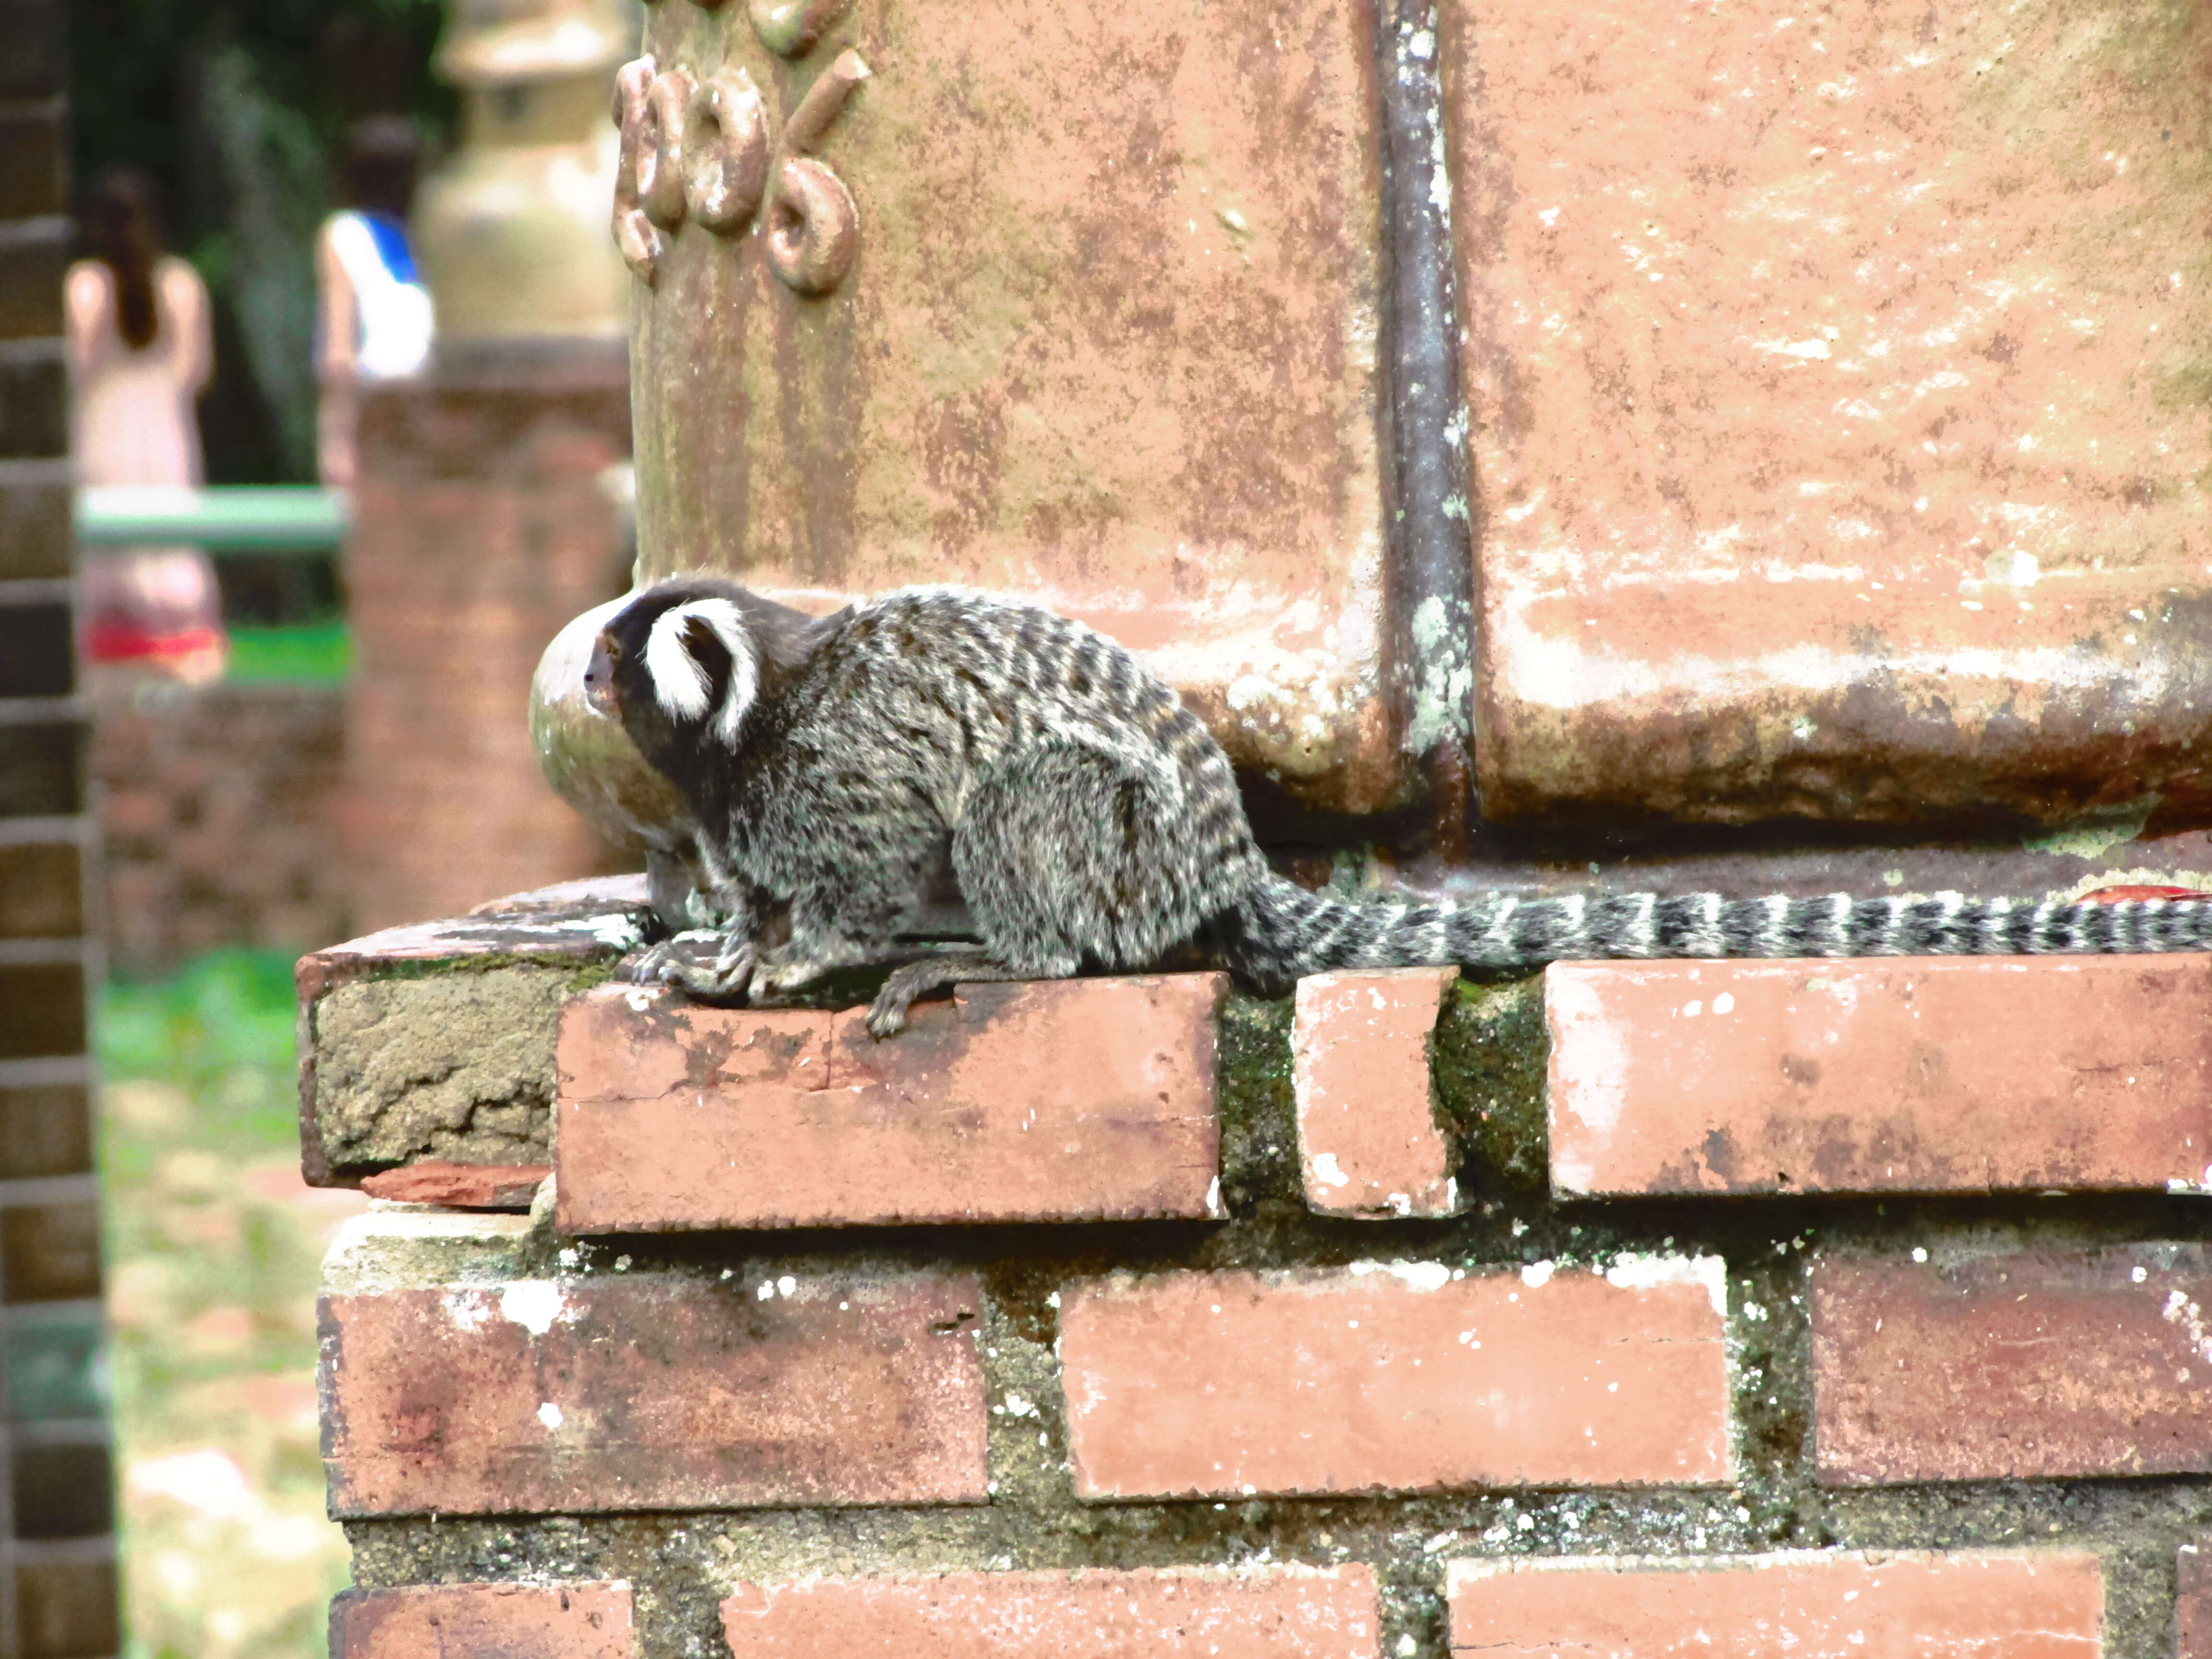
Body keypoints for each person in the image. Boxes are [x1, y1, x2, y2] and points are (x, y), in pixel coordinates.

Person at [65, 166, 227, 682]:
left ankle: (106, 659)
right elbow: (196, 372)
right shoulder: (182, 284)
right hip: (165, 433)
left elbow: (74, 371)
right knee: (172, 541)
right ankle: (185, 656)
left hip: (103, 431)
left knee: (106, 545)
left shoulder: (86, 287)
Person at [315, 116, 435, 489]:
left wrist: (336, 437)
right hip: (433, 391)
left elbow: (339, 350)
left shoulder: (343, 233)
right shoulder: (437, 233)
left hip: (374, 397)